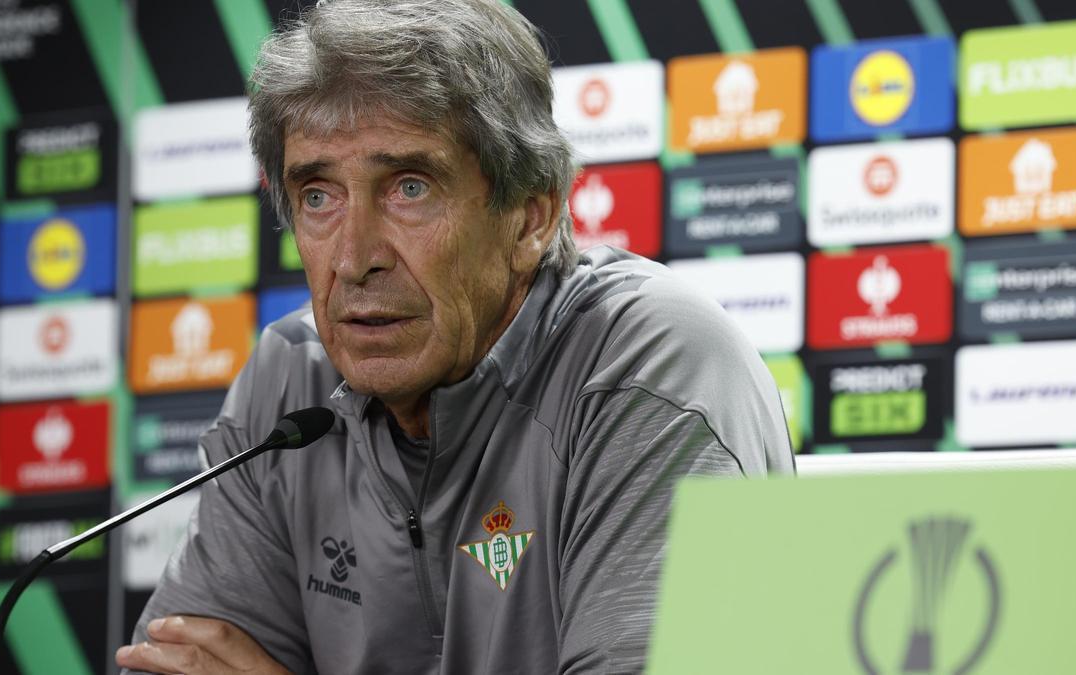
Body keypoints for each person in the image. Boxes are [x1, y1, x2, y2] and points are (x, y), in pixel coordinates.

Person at [117, 0, 794, 672]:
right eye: (319, 196)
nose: (353, 258)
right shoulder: (291, 379)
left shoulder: (649, 366)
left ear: (530, 217)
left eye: (408, 188)